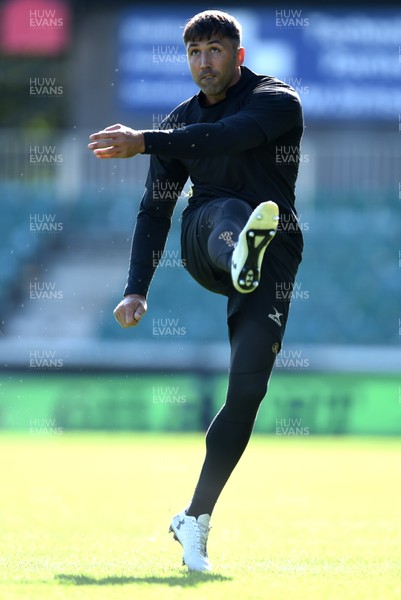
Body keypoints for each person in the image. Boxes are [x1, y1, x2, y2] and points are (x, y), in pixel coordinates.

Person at [88, 9, 304, 572]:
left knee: (247, 392)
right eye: (193, 53)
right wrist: (136, 289)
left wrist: (147, 141)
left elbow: (229, 135)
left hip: (273, 255)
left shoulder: (277, 101)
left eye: (213, 50)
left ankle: (195, 518)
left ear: (239, 53)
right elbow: (155, 211)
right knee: (227, 210)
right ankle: (238, 251)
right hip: (205, 241)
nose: (203, 62)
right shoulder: (179, 125)